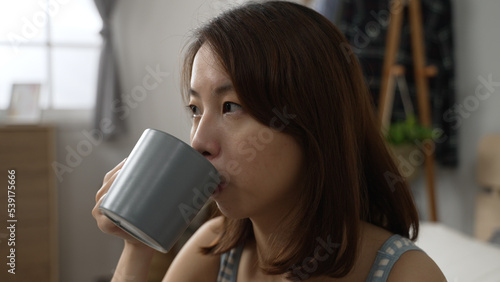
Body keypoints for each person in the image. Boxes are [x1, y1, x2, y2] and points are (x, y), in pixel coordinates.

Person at [92, 1, 446, 281]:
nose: (199, 141)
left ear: (313, 120)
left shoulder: (406, 275)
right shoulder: (213, 252)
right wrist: (137, 246)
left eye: (231, 106)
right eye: (195, 109)